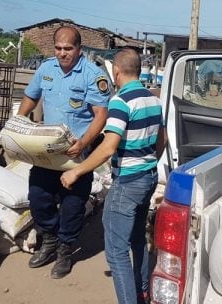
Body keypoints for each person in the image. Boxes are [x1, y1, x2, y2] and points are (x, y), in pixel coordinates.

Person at [61, 48, 166, 304]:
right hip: (148, 177)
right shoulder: (153, 99)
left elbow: (108, 147)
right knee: (137, 239)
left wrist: (76, 170)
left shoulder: (120, 102)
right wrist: (148, 159)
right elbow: (162, 140)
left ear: (116, 72)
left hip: (128, 181)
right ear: (139, 70)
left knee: (117, 253)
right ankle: (142, 293)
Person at [17, 26, 111, 279]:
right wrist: (18, 122)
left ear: (79, 49)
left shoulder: (93, 75)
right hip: (46, 149)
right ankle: (48, 240)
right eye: (58, 48)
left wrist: (83, 143)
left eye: (68, 49)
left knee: (72, 204)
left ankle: (64, 249)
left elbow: (101, 116)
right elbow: (30, 97)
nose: (62, 53)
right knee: (38, 197)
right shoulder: (46, 69)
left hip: (77, 152)